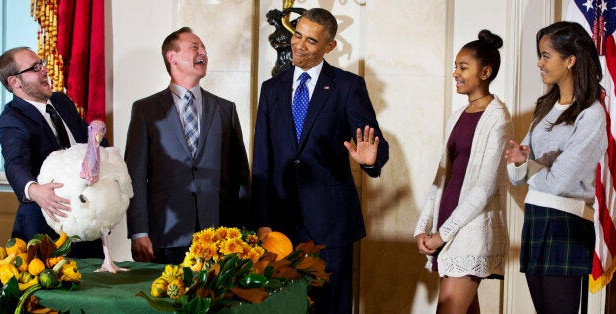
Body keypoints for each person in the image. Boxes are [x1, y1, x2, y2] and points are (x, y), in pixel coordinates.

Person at [251, 8, 389, 314]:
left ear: (329, 46)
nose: (299, 45)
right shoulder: (271, 89)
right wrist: (262, 221)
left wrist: (369, 160)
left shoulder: (348, 86)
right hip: (281, 225)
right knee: (284, 307)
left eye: (310, 41)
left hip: (331, 223)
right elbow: (262, 159)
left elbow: (375, 143)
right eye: (297, 35)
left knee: (332, 308)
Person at [125, 27, 251, 265]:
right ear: (171, 57)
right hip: (166, 235)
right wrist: (139, 231)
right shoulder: (145, 110)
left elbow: (240, 175)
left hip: (219, 236)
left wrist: (243, 229)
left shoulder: (226, 109)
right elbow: (135, 176)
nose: (203, 51)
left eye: (203, 47)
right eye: (195, 46)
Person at [506, 21, 607, 314]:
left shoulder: (591, 115)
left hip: (566, 224)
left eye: (545, 55)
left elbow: (561, 182)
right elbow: (517, 175)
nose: (539, 63)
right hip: (536, 217)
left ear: (570, 60)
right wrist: (522, 162)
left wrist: (529, 165)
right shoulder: (546, 106)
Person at [414, 30, 511, 313]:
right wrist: (423, 227)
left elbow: (484, 188)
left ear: (486, 72)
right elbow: (441, 176)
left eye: (463, 67)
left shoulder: (498, 117)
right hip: (445, 224)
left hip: (470, 232)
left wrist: (443, 234)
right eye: (456, 66)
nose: (455, 72)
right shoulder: (457, 115)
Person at [0, 47, 103, 258]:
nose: (44, 70)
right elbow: (15, 163)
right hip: (43, 226)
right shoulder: (11, 120)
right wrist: (35, 190)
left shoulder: (61, 102)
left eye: (42, 63)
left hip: (86, 222)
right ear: (14, 82)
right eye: (35, 68)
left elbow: (90, 139)